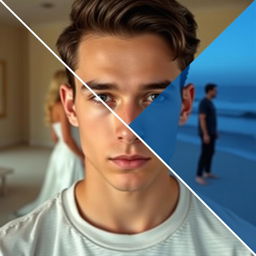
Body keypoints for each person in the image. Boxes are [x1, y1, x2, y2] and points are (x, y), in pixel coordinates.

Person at [0, 1, 251, 255]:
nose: (129, 131)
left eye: (155, 97)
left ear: (185, 105)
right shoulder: (14, 248)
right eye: (102, 98)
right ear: (70, 107)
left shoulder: (240, 244)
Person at [14, 70, 84, 217]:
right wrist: (83, 156)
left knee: (58, 185)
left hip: (59, 152)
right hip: (69, 154)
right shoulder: (63, 107)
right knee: (68, 186)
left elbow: (55, 137)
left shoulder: (52, 106)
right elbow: (67, 138)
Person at [196, 83, 218, 185]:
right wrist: (205, 134)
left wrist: (215, 131)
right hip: (206, 133)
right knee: (205, 153)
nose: (216, 92)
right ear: (209, 91)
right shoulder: (204, 102)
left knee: (211, 152)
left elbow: (212, 119)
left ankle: (207, 172)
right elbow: (202, 118)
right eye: (215, 90)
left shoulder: (210, 102)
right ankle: (198, 176)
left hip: (212, 132)